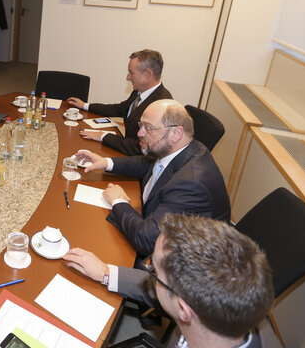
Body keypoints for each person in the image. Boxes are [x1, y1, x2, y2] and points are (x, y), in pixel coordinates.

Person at [63, 214, 277, 348]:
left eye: (154, 271)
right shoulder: (223, 318)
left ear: (184, 310)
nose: (149, 272)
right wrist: (105, 272)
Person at [76, 99, 230, 257]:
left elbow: (146, 240)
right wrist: (106, 162)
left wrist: (118, 201)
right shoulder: (181, 148)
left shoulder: (191, 185)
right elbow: (147, 163)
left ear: (176, 133)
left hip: (182, 265)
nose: (140, 133)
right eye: (141, 125)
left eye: (148, 128)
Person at [69, 49, 172, 156]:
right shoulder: (140, 90)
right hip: (123, 152)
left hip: (134, 163)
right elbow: (121, 108)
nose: (128, 77)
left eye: (131, 73)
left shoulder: (162, 106)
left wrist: (103, 136)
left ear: (147, 74)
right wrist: (85, 105)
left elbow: (141, 148)